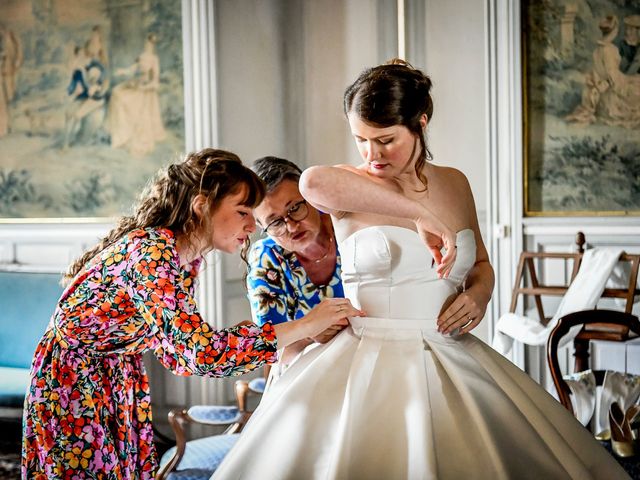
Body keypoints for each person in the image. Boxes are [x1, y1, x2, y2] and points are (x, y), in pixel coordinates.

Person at [212, 61, 627, 479]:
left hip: (452, 353)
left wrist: (478, 295)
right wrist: (416, 214)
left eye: (386, 139)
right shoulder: (343, 184)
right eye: (362, 139)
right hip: (366, 361)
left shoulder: (454, 183)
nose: (372, 154)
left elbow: (480, 264)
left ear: (420, 123)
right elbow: (311, 183)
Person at [21, 148, 360, 479]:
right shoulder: (151, 251)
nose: (252, 226)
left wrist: (272, 335)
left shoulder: (186, 258)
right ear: (202, 207)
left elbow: (178, 355)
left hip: (118, 374)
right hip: (74, 380)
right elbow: (200, 352)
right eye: (243, 211)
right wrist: (303, 326)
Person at [247, 156, 347, 369]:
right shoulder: (267, 258)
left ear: (310, 196)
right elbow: (273, 351)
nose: (291, 227)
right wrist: (309, 335)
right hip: (307, 367)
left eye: (294, 208)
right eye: (275, 222)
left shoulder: (346, 225)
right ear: (259, 226)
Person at [108, 33, 166, 156]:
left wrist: (145, 87)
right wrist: (122, 71)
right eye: (147, 42)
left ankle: (136, 139)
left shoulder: (154, 59)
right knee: (117, 93)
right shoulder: (141, 56)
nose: (148, 45)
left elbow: (155, 80)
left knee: (139, 114)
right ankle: (122, 136)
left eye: (150, 43)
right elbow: (132, 69)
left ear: (153, 45)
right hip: (135, 85)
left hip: (145, 91)